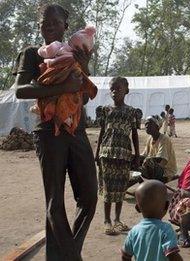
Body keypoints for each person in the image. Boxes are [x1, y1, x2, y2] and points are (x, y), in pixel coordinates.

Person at [12, 4, 97, 260]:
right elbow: (20, 91)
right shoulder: (31, 53)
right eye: (44, 23)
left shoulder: (76, 52)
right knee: (55, 203)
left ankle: (70, 254)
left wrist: (84, 69)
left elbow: (84, 98)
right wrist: (61, 88)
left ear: (65, 26)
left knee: (90, 197)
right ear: (39, 26)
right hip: (49, 133)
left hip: (77, 131)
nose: (49, 26)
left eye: (55, 22)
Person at [95, 76, 142, 235]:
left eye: (118, 88)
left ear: (126, 90)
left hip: (124, 154)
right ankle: (107, 220)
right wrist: (96, 153)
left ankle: (117, 219)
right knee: (108, 188)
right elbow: (102, 132)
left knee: (121, 187)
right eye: (112, 89)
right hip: (106, 153)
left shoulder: (131, 112)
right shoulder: (106, 110)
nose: (114, 91)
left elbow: (134, 134)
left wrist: (136, 155)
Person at [121, 180, 183, 261]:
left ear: (137, 208)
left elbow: (125, 256)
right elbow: (172, 255)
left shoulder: (134, 231)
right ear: (166, 206)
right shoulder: (166, 230)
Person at [127, 115, 177, 186]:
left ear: (157, 126)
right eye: (146, 124)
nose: (146, 126)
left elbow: (160, 159)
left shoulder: (164, 139)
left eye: (149, 124)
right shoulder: (150, 139)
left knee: (148, 161)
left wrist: (143, 160)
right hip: (153, 168)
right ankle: (129, 184)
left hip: (165, 171)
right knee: (133, 159)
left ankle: (146, 185)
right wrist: (133, 157)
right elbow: (144, 155)